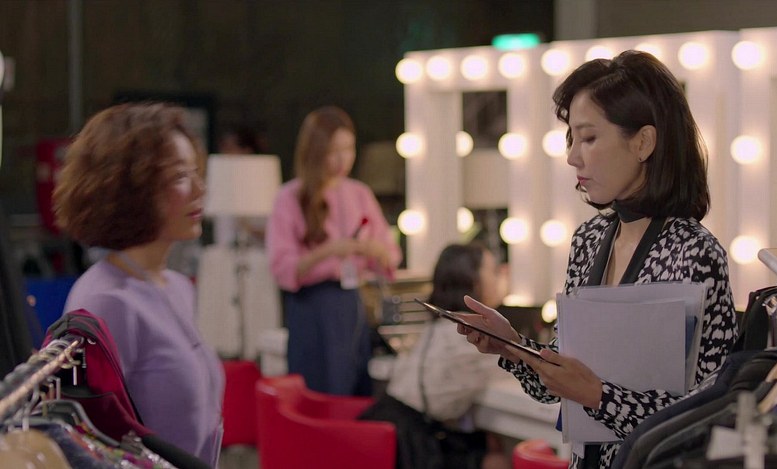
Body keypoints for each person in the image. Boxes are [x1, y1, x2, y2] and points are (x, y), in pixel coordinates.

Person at [456, 50, 738, 468]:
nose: (573, 157)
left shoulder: (693, 252)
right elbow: (558, 382)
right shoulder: (589, 239)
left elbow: (706, 417)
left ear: (643, 142)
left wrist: (598, 396)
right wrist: (513, 347)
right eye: (572, 139)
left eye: (588, 138)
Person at [53, 102, 224, 467]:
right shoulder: (105, 301)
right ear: (131, 189)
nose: (200, 189)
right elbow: (85, 446)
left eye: (196, 172)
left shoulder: (177, 286)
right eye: (179, 177)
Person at [266, 105, 402, 396]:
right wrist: (329, 251)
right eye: (333, 151)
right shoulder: (290, 197)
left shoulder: (359, 194)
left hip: (352, 303)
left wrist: (375, 251)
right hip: (312, 306)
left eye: (348, 149)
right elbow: (282, 269)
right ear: (315, 152)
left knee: (354, 386)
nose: (343, 160)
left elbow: (390, 256)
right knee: (320, 390)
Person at [361, 243, 512, 469]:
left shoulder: (442, 325)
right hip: (408, 444)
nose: (501, 277)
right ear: (473, 281)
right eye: (493, 271)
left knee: (487, 442)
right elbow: (519, 370)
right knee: (497, 461)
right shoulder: (471, 337)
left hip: (388, 426)